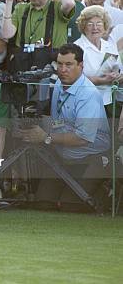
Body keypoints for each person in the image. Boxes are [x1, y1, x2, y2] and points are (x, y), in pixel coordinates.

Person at [20, 43, 110, 210]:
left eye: (69, 65)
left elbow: (83, 138)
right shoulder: (60, 84)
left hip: (90, 158)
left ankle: (103, 194)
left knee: (70, 206)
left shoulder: (88, 94)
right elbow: (59, 121)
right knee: (42, 203)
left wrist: (45, 137)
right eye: (59, 64)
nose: (63, 69)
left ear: (81, 66)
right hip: (63, 157)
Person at [2, 0, 75, 71]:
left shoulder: (57, 7)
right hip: (23, 68)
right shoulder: (21, 8)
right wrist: (9, 1)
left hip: (49, 71)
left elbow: (69, 3)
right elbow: (7, 34)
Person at [73, 6, 120, 108]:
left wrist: (115, 74)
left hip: (106, 101)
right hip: (83, 101)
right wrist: (101, 80)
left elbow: (117, 67)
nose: (95, 28)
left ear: (104, 26)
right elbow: (73, 79)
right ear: (83, 27)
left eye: (99, 23)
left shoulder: (109, 46)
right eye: (90, 24)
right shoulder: (77, 48)